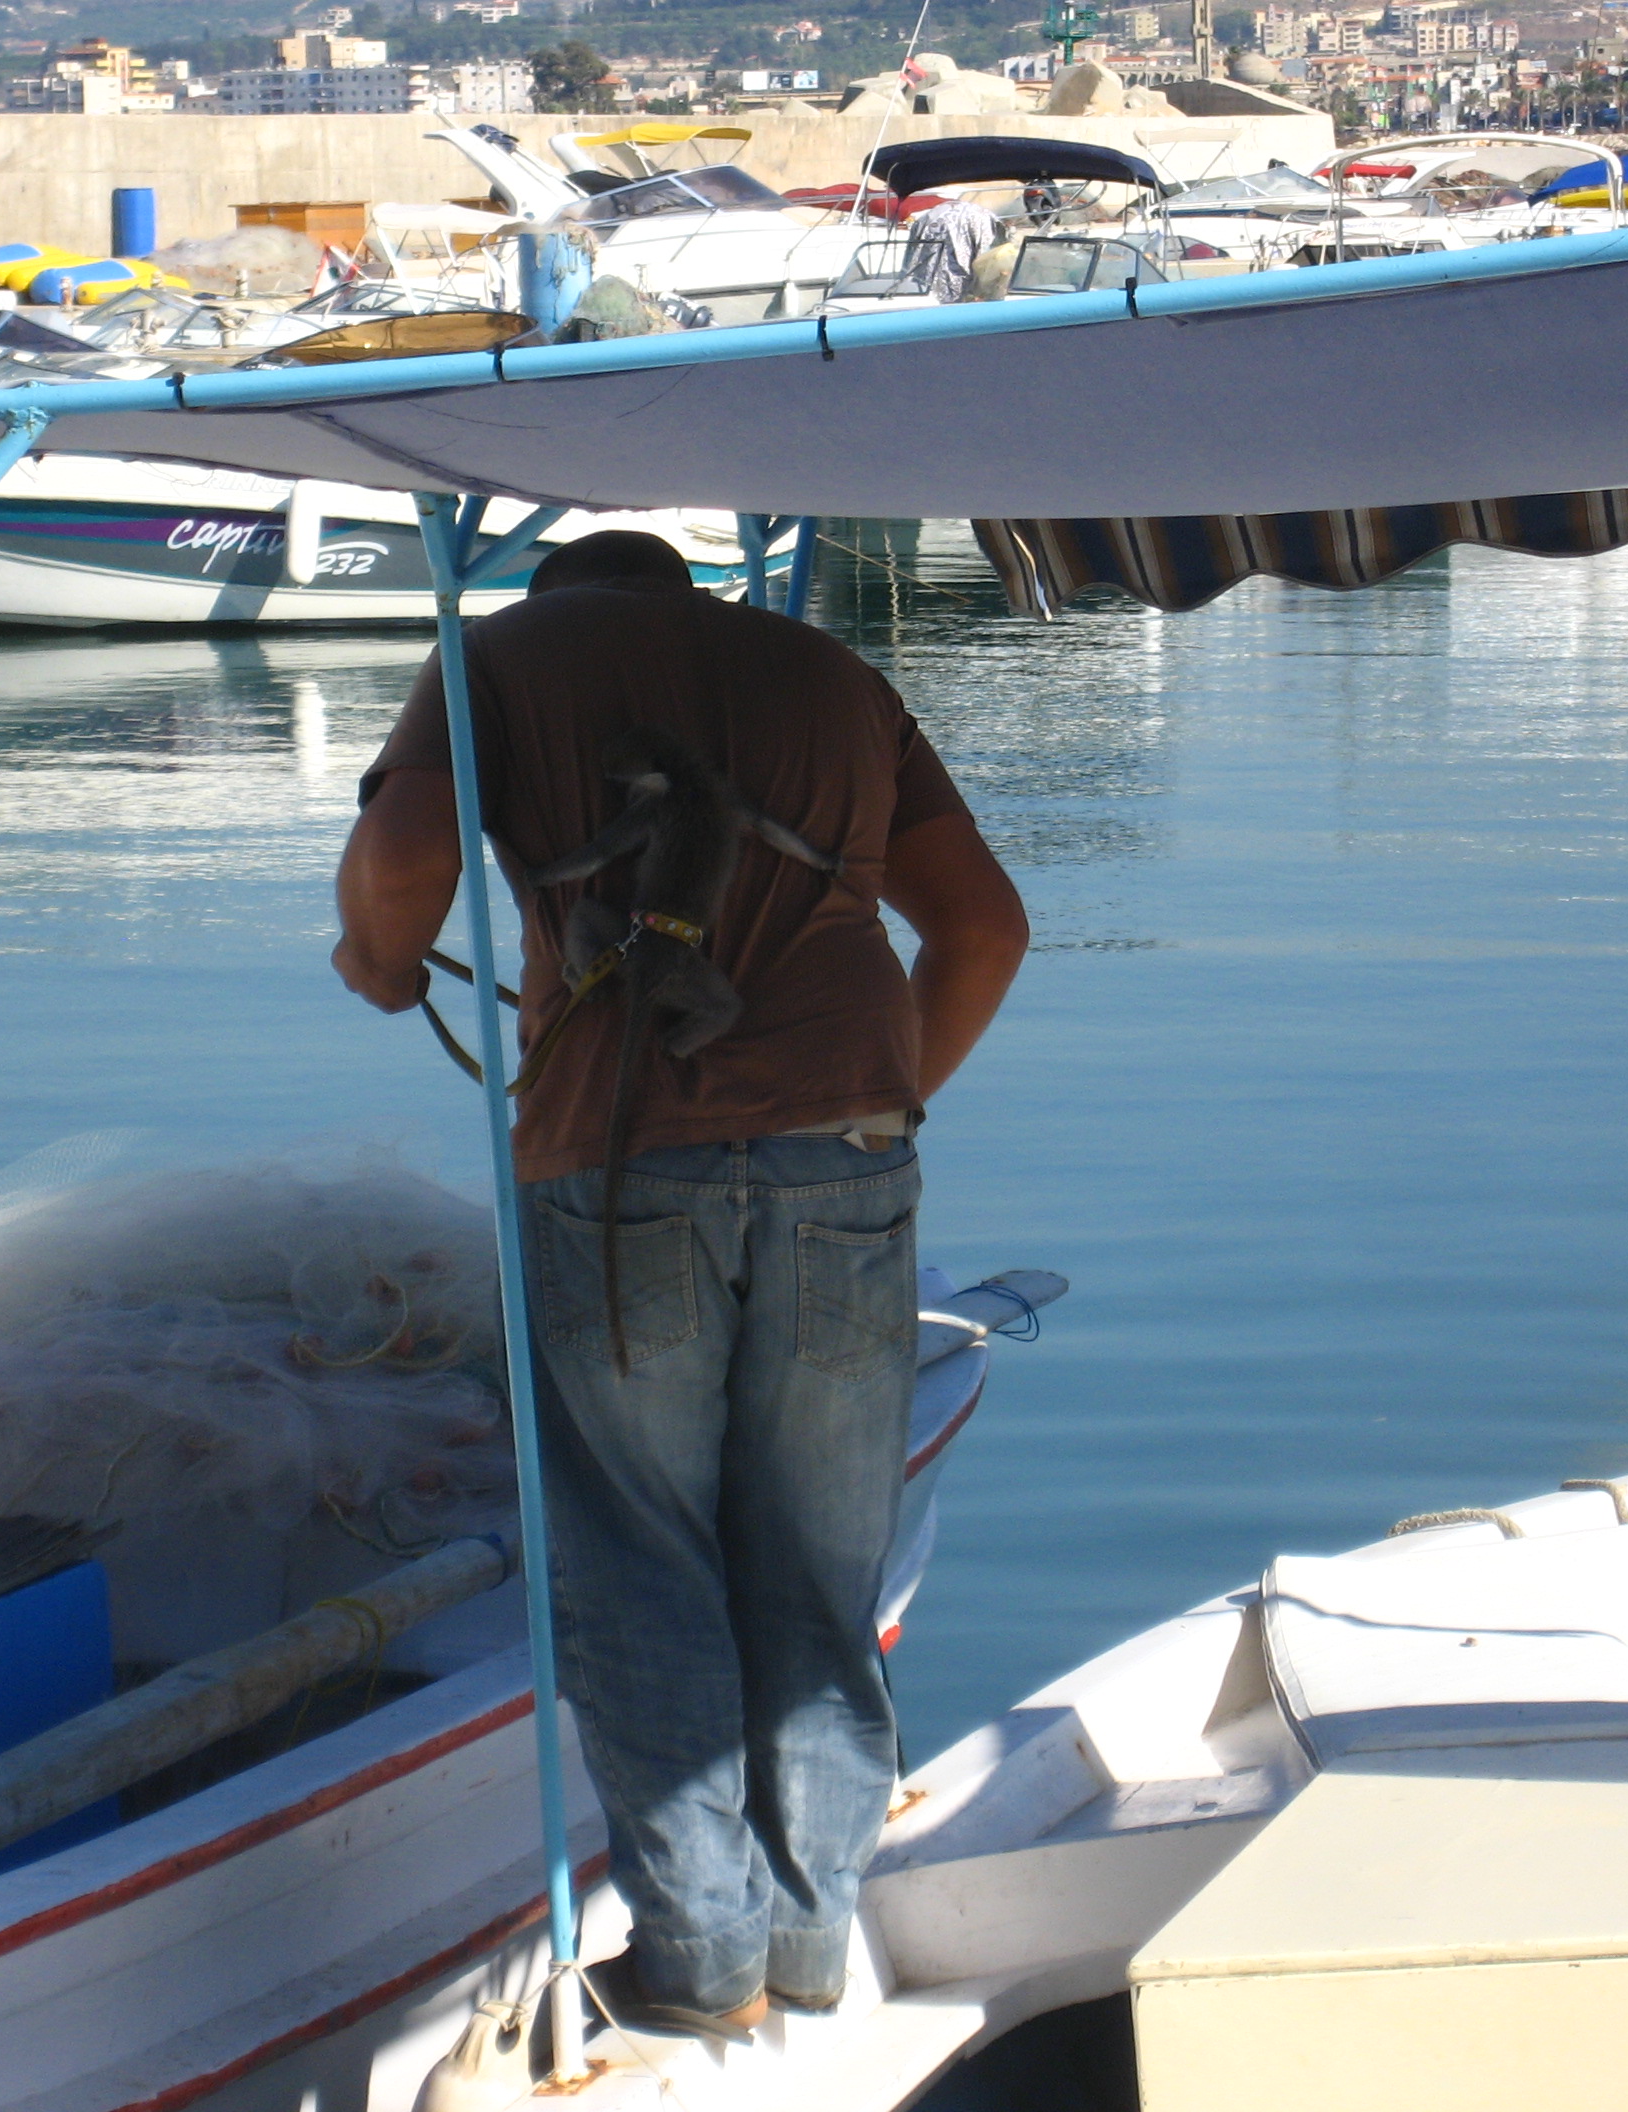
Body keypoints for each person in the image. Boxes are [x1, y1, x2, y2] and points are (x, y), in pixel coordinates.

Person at [333, 530, 1027, 2039]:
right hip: (847, 1158)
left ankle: (704, 1956)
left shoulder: (492, 662)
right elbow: (985, 928)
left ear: (559, 598)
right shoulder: (831, 673)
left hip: (618, 1161)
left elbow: (400, 866)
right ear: (685, 591)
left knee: (644, 1558)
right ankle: (811, 1935)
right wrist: (880, 1104)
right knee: (819, 1571)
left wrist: (378, 966)